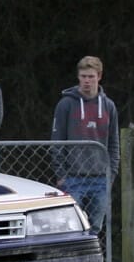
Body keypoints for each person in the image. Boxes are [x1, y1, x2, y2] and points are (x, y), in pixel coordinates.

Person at [51, 56, 120, 236]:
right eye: (83, 76)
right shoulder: (66, 104)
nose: (87, 81)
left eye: (91, 76)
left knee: (95, 229)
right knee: (71, 227)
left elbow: (114, 144)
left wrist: (111, 174)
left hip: (100, 179)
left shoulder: (109, 106)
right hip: (73, 178)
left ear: (99, 76)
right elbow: (56, 141)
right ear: (78, 77)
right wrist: (61, 175)